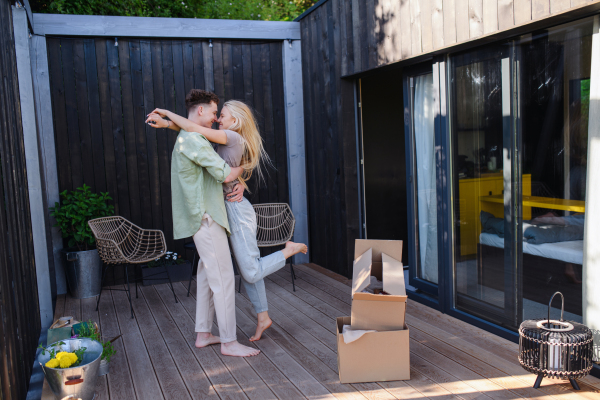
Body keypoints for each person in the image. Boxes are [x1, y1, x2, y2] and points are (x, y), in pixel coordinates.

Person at [146, 97, 308, 341]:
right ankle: (263, 317)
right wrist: (169, 124)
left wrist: (168, 114)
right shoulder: (226, 138)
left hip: (236, 210)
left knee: (251, 270)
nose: (218, 119)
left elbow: (194, 129)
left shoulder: (232, 137)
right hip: (228, 207)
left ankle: (289, 250)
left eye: (222, 115)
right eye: (217, 114)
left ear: (235, 121)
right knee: (247, 266)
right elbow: (194, 134)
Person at [161, 89, 259, 357]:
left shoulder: (189, 136)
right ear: (201, 110)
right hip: (206, 216)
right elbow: (225, 174)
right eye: (215, 112)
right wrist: (243, 168)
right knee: (224, 279)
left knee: (206, 275)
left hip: (202, 215)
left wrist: (170, 122)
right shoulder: (193, 140)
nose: (217, 118)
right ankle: (229, 341)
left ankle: (204, 333)